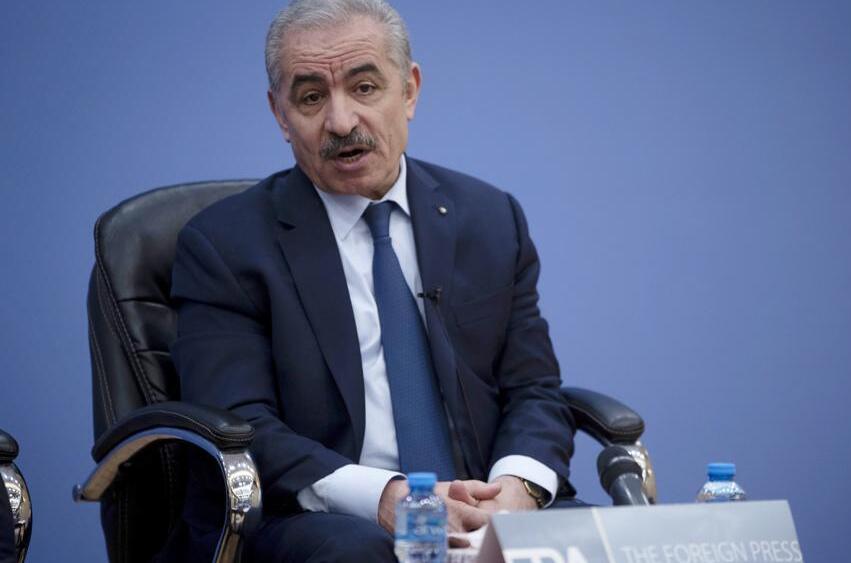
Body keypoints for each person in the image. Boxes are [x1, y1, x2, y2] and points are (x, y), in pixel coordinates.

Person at [165, 0, 576, 560]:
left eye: (364, 88)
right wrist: (387, 498)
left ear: (409, 91)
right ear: (280, 115)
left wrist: (516, 491)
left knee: (600, 540)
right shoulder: (226, 245)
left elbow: (534, 389)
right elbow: (241, 426)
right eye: (311, 98)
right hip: (319, 519)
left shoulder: (490, 218)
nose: (341, 122)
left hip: (477, 505)